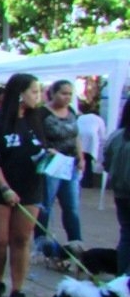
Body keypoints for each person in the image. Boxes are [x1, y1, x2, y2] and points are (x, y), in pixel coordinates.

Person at [0, 73, 45, 297]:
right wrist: (5, 187)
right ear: (19, 94)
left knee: (21, 239)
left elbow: (45, 151)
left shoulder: (38, 121)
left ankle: (18, 289)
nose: (38, 96)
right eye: (34, 91)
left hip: (30, 189)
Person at [36, 79, 84, 241]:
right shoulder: (42, 113)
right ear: (53, 93)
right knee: (46, 204)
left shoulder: (71, 111)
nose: (67, 97)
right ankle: (41, 240)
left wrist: (81, 157)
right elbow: (36, 137)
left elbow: (76, 136)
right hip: (52, 161)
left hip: (71, 162)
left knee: (71, 205)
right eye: (63, 93)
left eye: (70, 94)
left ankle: (75, 241)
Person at [102, 100, 130, 274]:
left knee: (126, 235)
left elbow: (106, 163)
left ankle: (122, 277)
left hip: (120, 193)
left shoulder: (116, 135)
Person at [78, 102, 106, 188]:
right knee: (88, 160)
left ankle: (82, 180)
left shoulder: (81, 117)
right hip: (91, 138)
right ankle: (88, 182)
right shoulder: (99, 119)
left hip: (79, 137)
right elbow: (102, 135)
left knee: (81, 159)